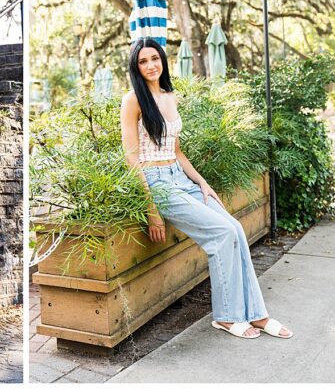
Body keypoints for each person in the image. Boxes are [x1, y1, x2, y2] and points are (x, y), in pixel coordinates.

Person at [120, 37, 292, 340]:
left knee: (236, 228)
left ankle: (258, 314)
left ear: (163, 60)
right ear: (135, 66)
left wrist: (202, 183)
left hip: (181, 179)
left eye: (154, 58)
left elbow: (178, 152)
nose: (150, 65)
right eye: (143, 61)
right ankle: (226, 317)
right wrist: (151, 211)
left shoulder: (170, 96)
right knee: (222, 233)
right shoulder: (132, 100)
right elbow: (132, 158)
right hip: (157, 185)